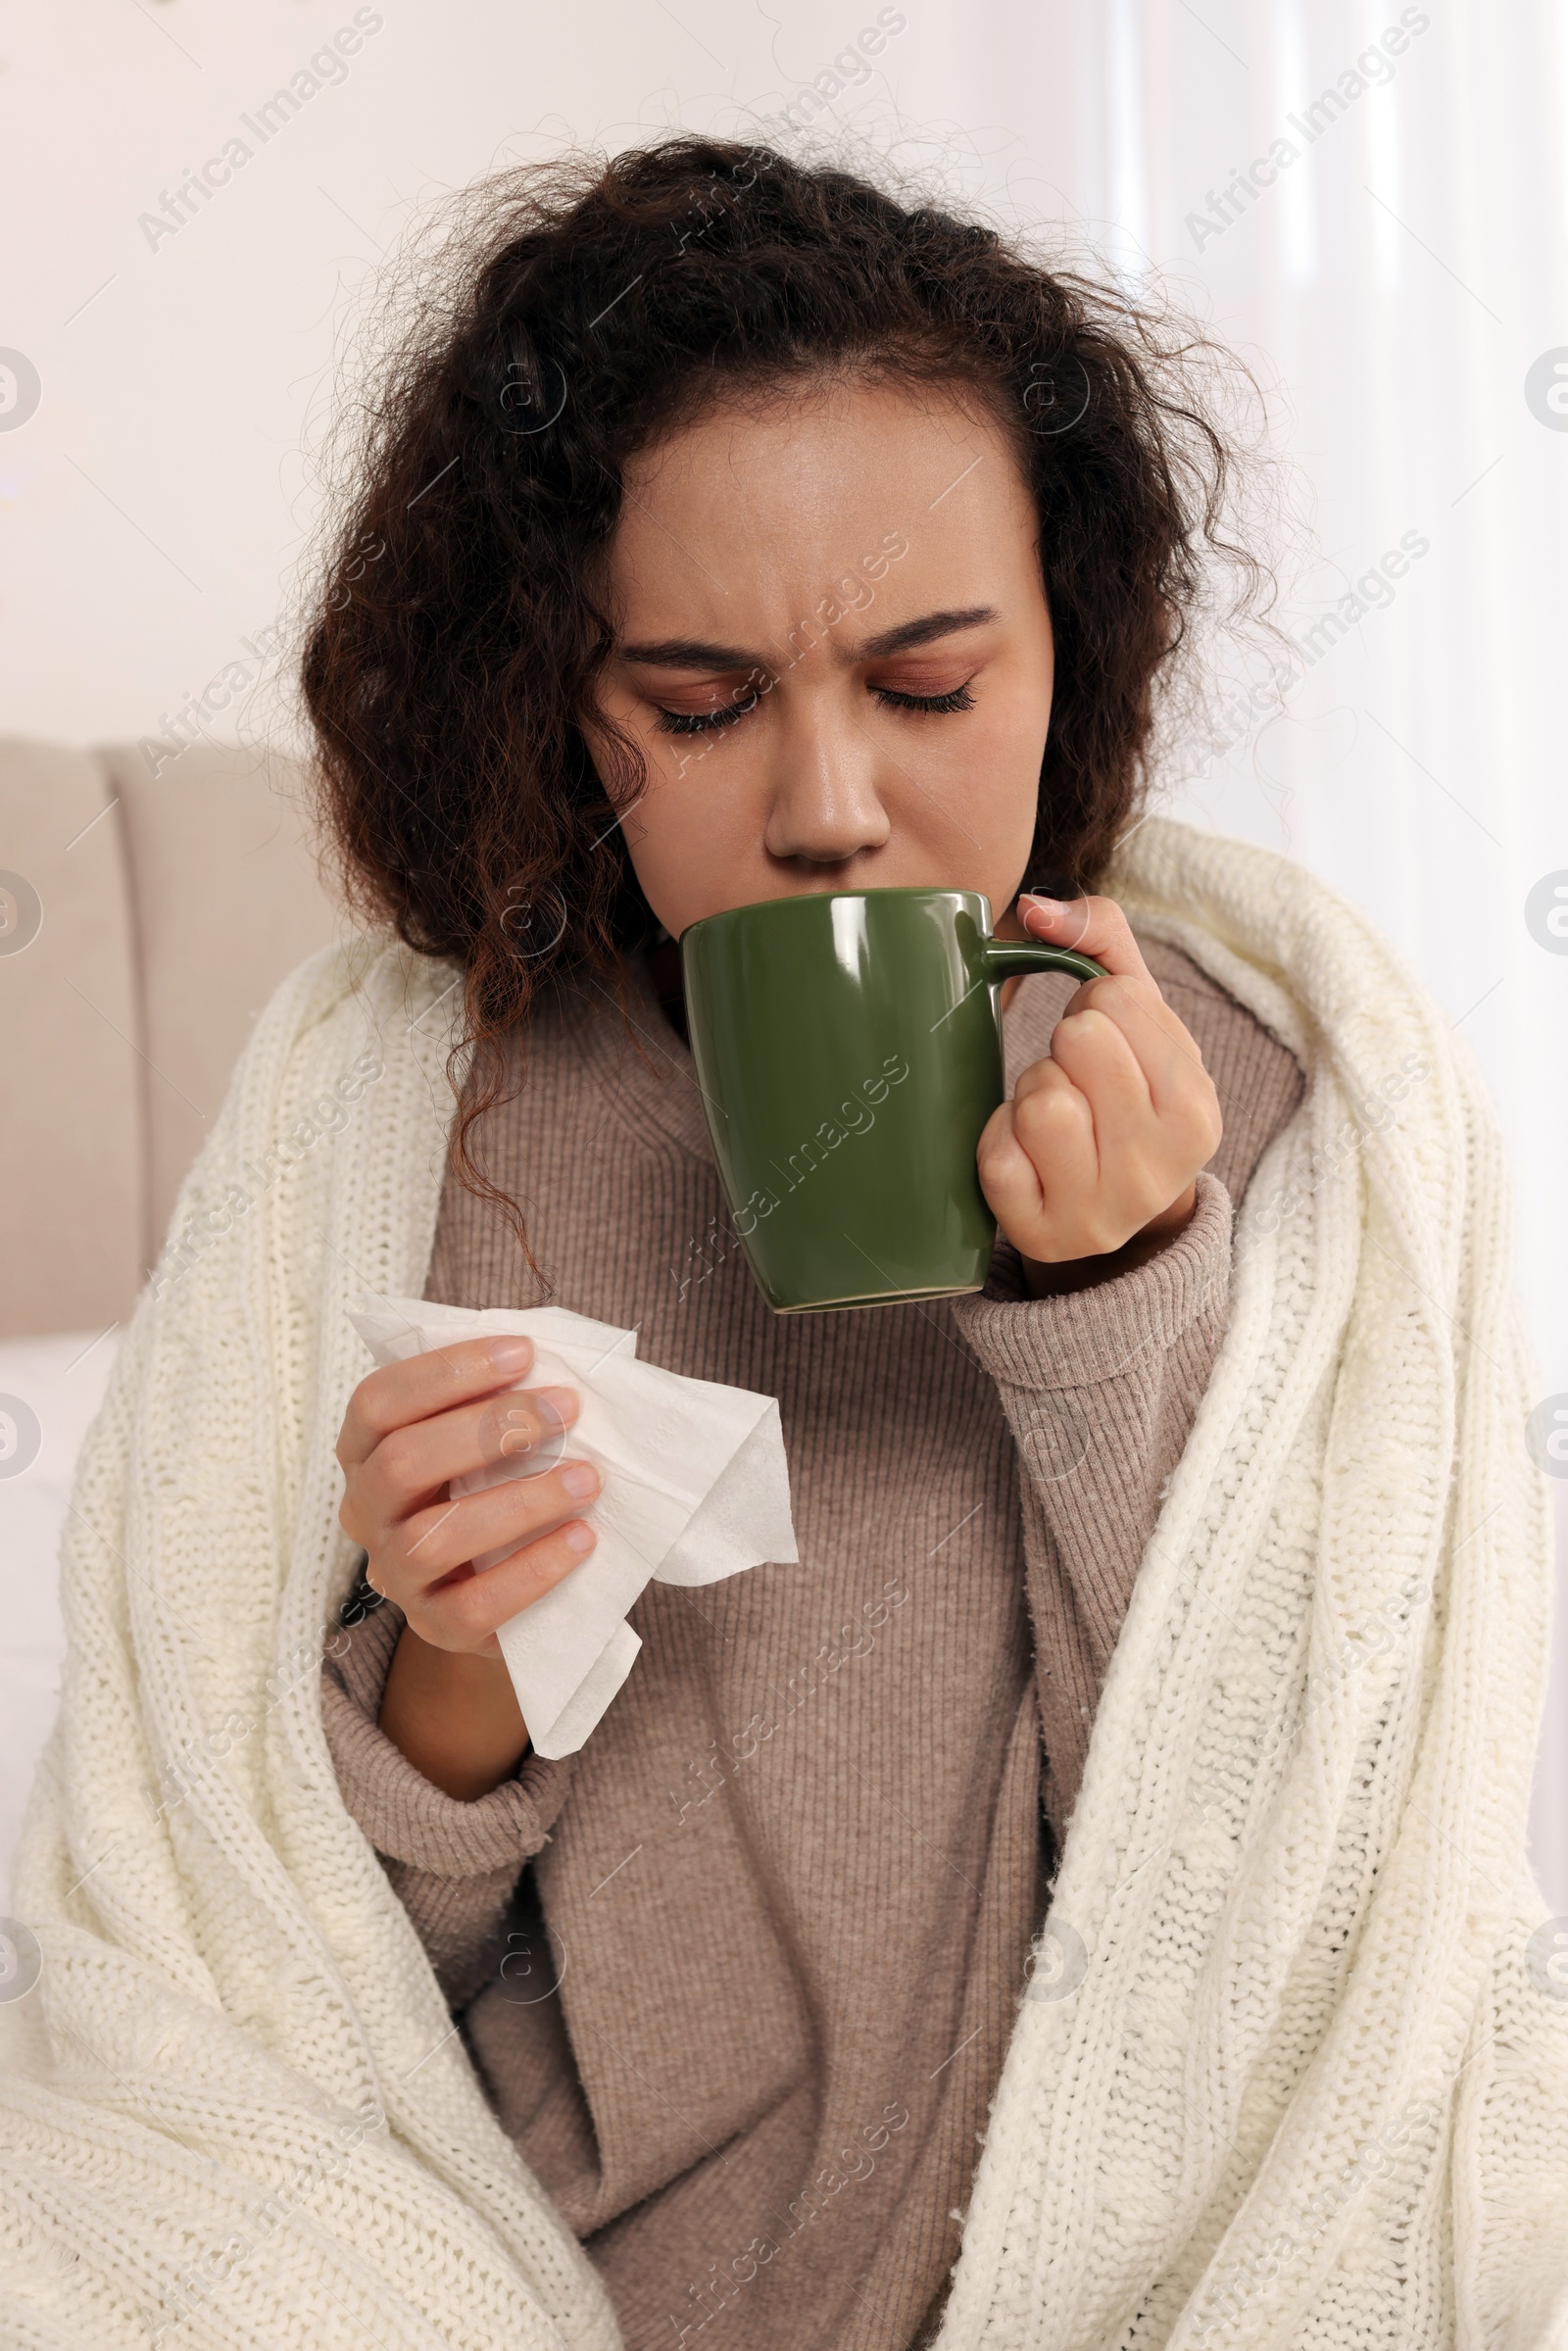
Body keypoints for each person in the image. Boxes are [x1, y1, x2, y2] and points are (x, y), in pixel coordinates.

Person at [309, 134, 1299, 2349]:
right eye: (696, 703)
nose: (828, 803)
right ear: (560, 706)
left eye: (930, 687)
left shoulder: (1244, 1092)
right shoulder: (422, 1137)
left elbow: (1279, 1869)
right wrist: (457, 1663)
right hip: (579, 2285)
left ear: (1073, 659)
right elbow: (289, 2000)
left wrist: (1114, 1299)